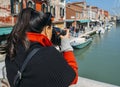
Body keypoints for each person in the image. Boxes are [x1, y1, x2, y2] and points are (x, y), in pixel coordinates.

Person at [5, 8, 78, 87]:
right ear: (47, 29)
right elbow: (73, 77)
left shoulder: (12, 49)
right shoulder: (48, 55)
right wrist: (66, 45)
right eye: (51, 28)